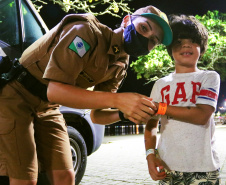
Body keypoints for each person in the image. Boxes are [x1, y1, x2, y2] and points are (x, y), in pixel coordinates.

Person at [0, 5, 172, 185]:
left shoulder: (119, 65)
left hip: (47, 107)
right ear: (127, 20)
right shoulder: (87, 32)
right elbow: (55, 90)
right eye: (144, 28)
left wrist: (124, 113)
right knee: (26, 178)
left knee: (66, 177)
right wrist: (119, 100)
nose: (146, 39)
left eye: (154, 40)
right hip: (17, 95)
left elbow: (97, 115)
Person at [144, 14, 221, 185]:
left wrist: (160, 107)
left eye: (193, 40)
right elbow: (151, 125)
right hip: (168, 167)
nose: (186, 44)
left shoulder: (209, 77)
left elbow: (201, 116)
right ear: (170, 49)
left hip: (204, 169)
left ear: (201, 47)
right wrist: (150, 155)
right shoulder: (160, 84)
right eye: (178, 42)